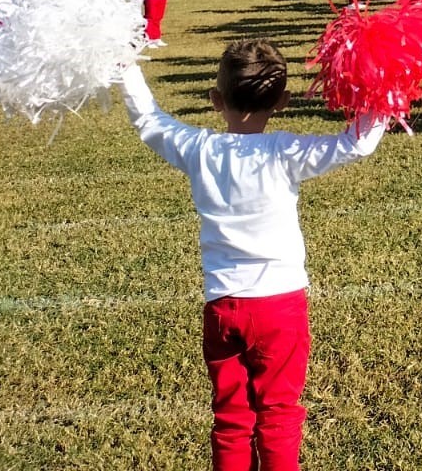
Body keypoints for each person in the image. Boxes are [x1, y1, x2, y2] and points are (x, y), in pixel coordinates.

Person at [118, 40, 386, 471]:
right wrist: (382, 87)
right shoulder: (284, 150)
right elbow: (356, 143)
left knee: (230, 417)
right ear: (282, 101)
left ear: (215, 100)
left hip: (222, 306)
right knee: (278, 414)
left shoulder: (199, 149)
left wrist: (125, 64)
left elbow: (149, 120)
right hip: (281, 308)